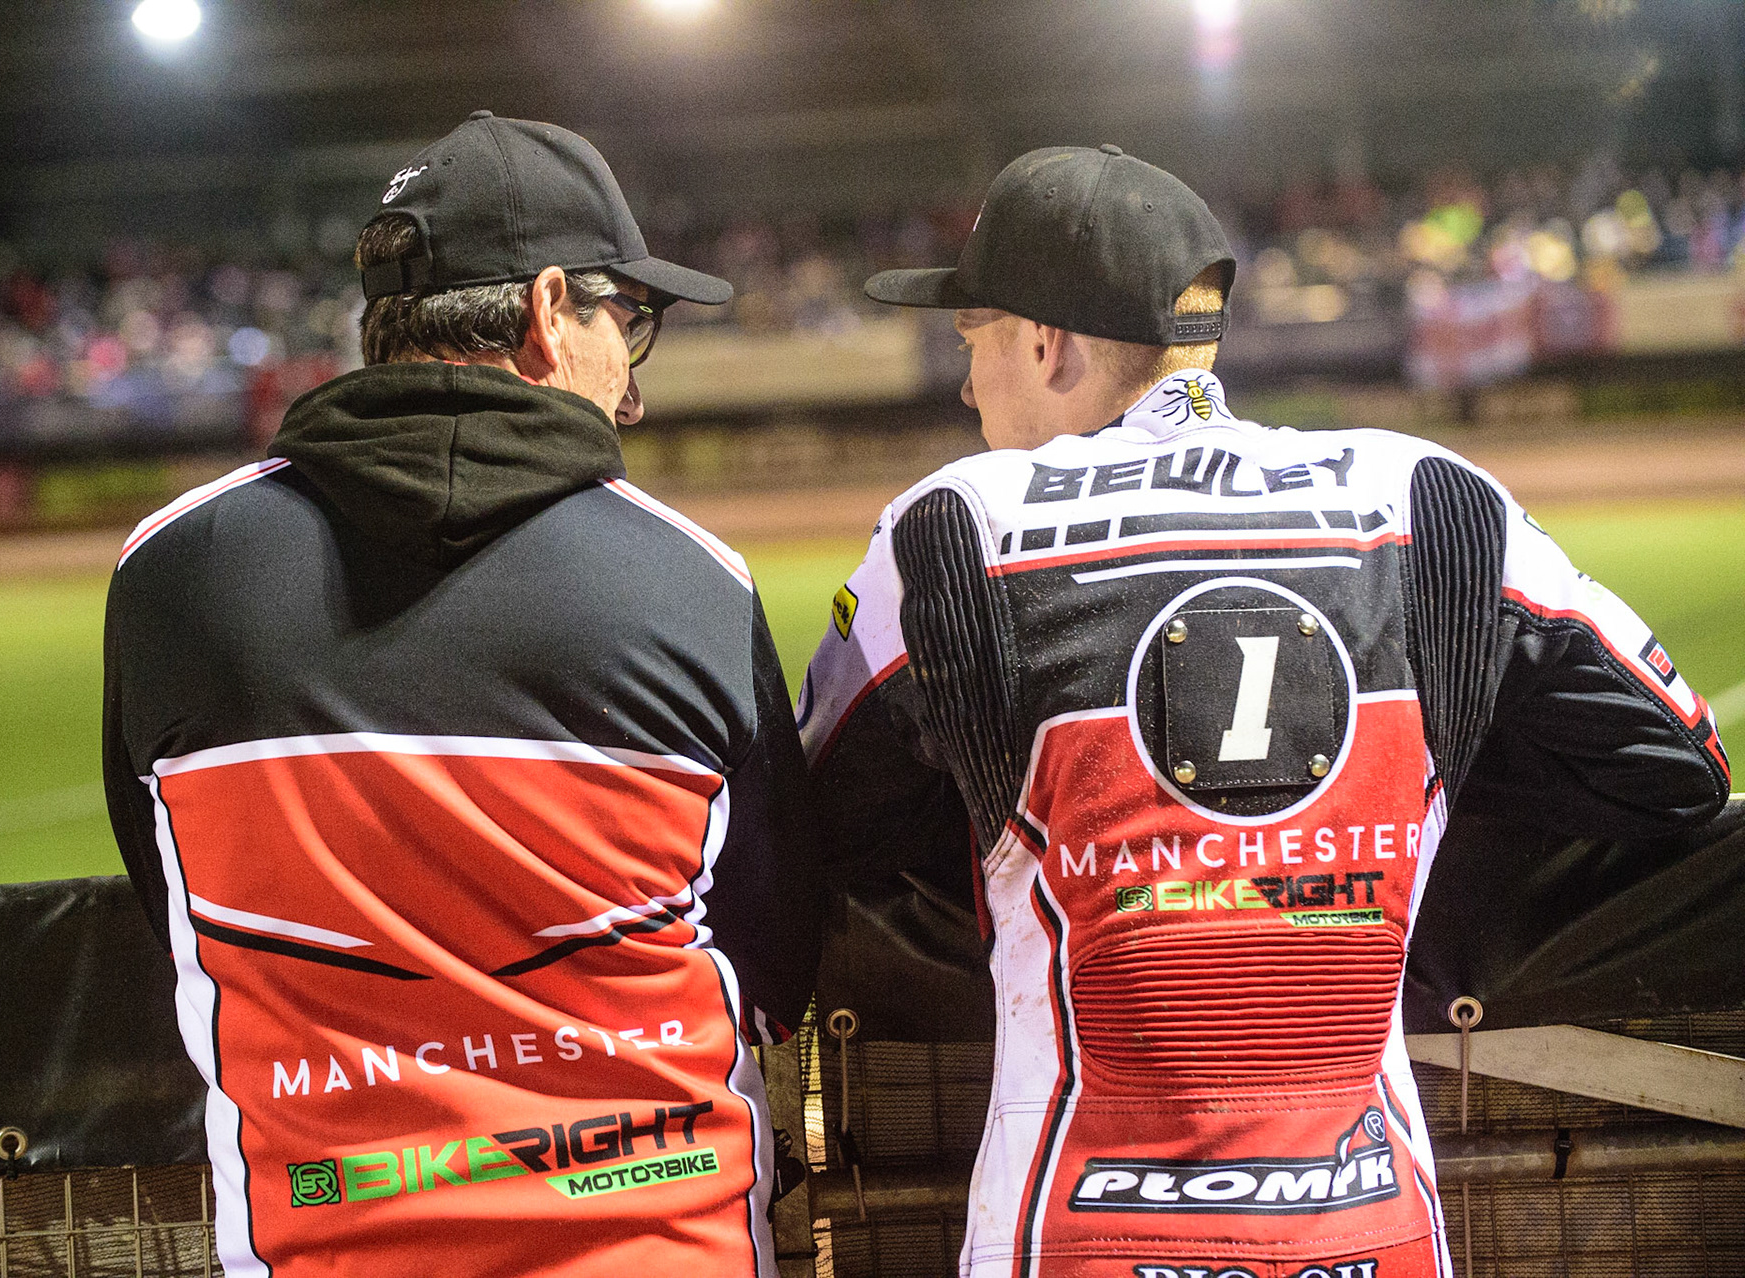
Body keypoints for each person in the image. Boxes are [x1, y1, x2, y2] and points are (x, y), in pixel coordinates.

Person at [799, 145, 1731, 1278]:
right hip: (1376, 1229)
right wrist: (1400, 803)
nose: (965, 385)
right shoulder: (1429, 493)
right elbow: (1677, 763)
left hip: (1076, 1234)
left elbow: (821, 822)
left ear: (1047, 344)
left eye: (974, 339)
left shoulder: (950, 528)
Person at [103, 112, 819, 1277]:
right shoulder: (689, 582)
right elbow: (773, 954)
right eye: (625, 321)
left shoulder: (173, 573)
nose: (629, 387)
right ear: (547, 312)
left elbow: (171, 898)